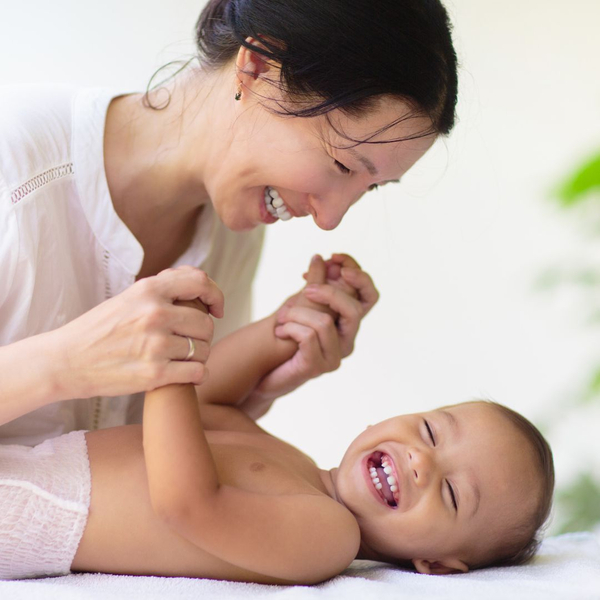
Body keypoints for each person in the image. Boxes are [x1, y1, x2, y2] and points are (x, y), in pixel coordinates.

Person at [0, 0, 458, 444]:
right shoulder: (14, 168)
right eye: (342, 166)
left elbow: (145, 461)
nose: (329, 219)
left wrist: (263, 380)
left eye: (370, 187)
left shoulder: (232, 234)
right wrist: (63, 364)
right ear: (257, 69)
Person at [0, 256, 554, 583]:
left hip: (24, 521)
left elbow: (188, 505)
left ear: (434, 563)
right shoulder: (297, 466)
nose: (420, 462)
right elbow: (210, 403)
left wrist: (170, 360)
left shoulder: (329, 537)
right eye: (432, 432)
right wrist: (281, 331)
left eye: (454, 494)